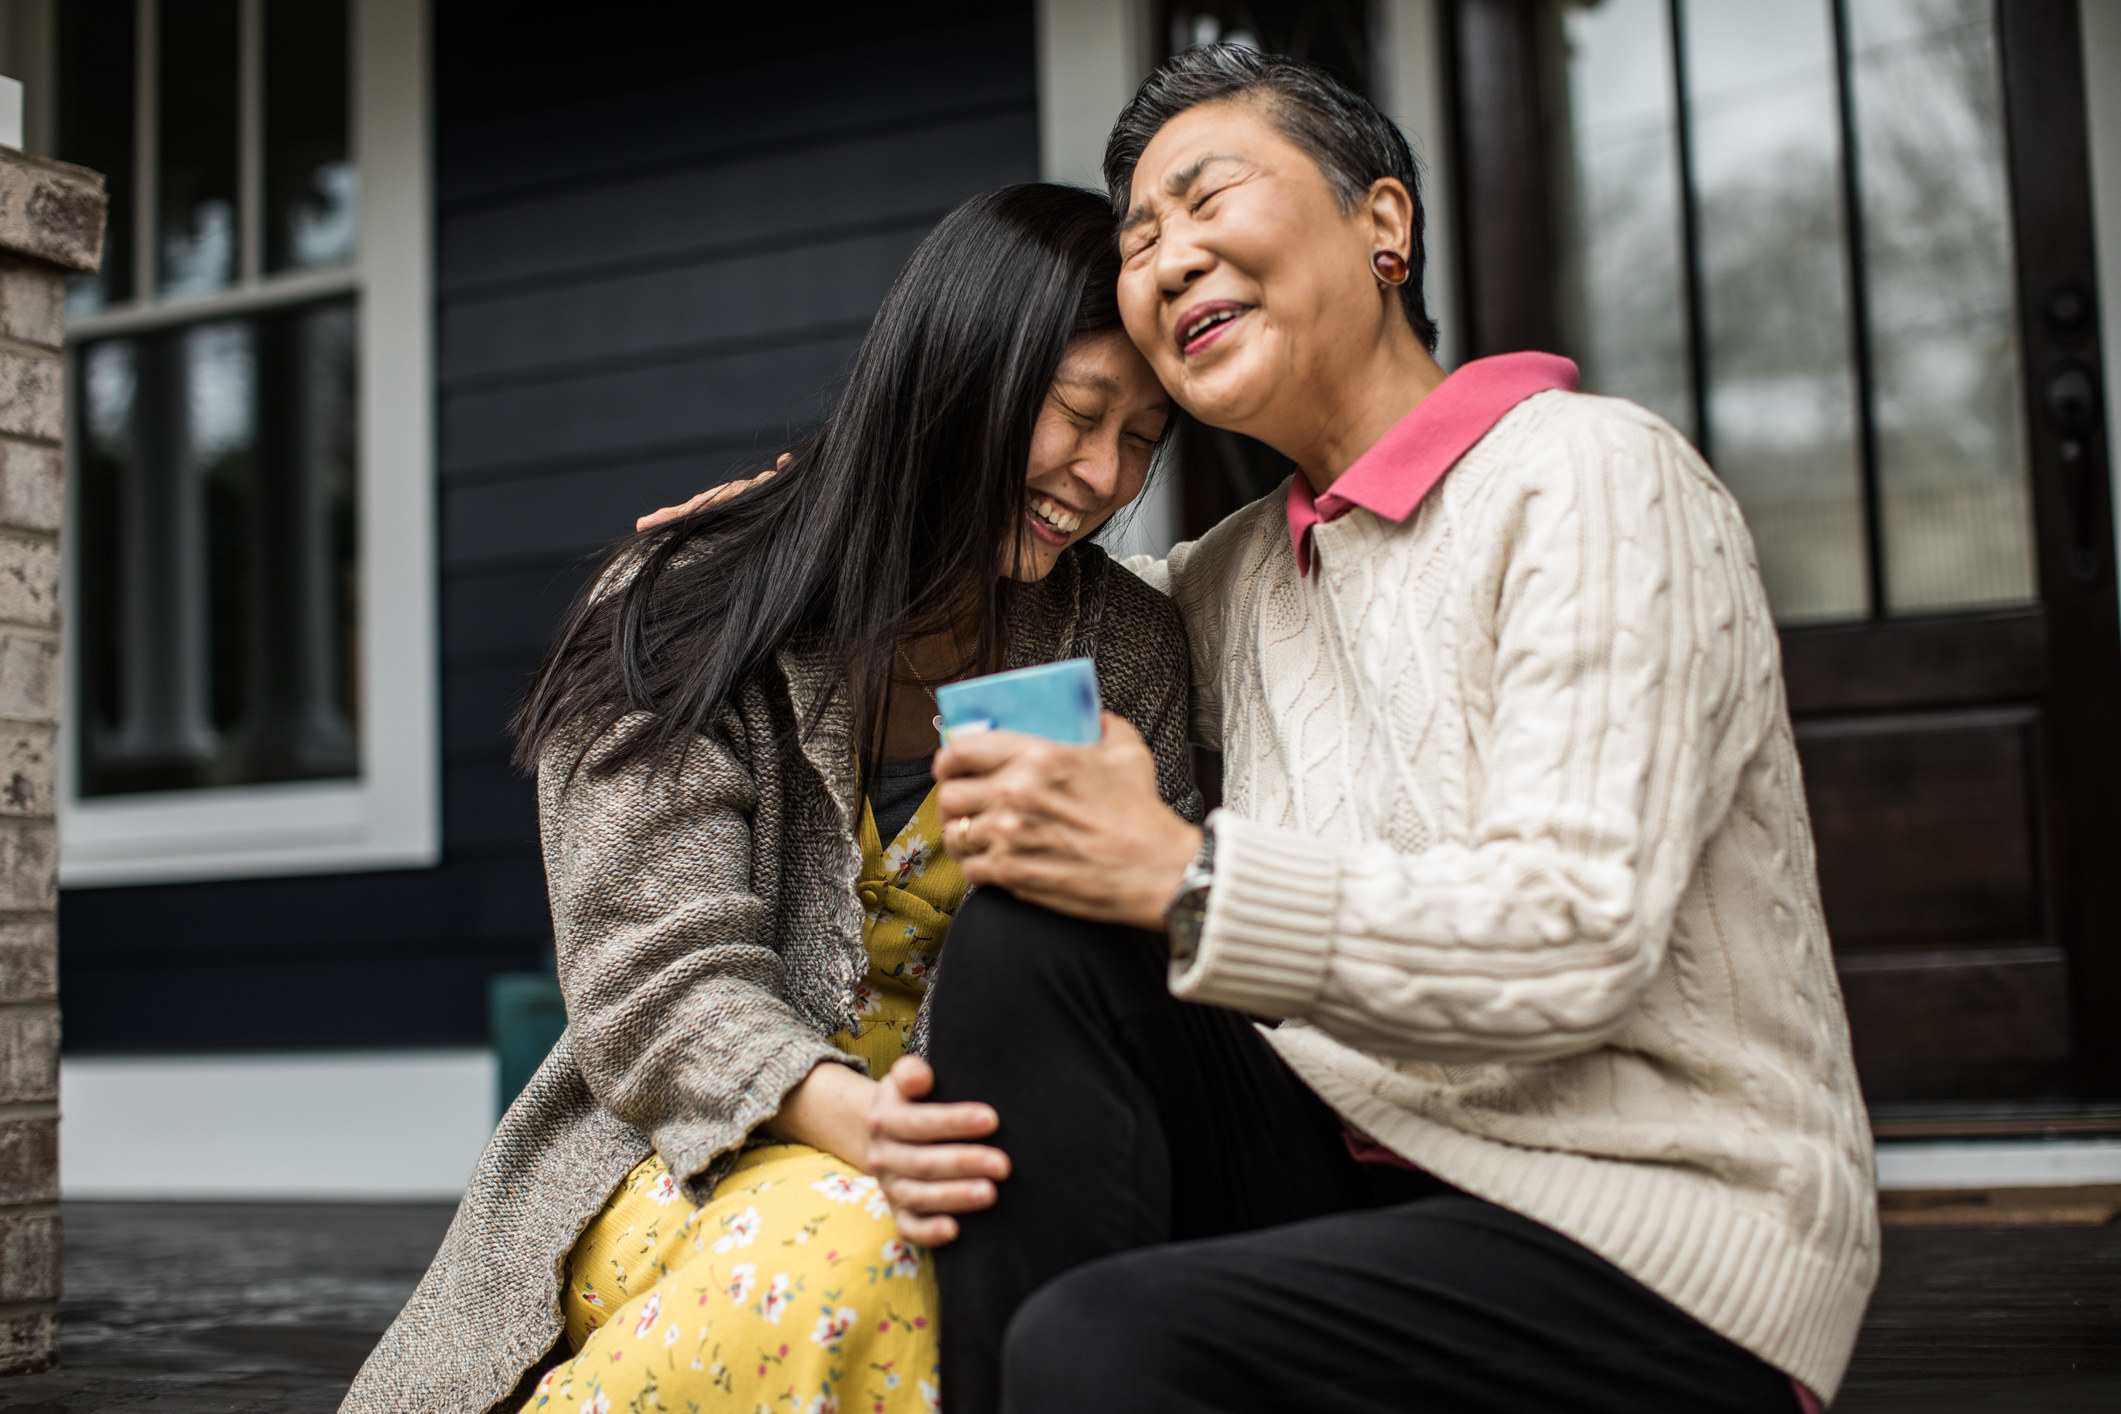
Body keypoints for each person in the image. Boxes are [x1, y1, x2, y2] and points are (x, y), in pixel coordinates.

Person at [898, 46, 1876, 1414]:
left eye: (1206, 195)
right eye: (1140, 237)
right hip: (1355, 1172)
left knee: (1105, 1342)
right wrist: (804, 525)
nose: (1169, 259)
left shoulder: (1589, 477)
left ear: (1383, 223)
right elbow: (986, 590)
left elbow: (1577, 928)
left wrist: (1184, 877)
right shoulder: (1231, 577)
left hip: (1645, 1227)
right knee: (1029, 932)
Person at [338, 183, 1201, 1414]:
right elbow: (655, 977)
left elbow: (1137, 973)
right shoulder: (692, 603)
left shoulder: (1124, 652)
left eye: (1145, 439)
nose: (1103, 473)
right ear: (958, 373)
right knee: (864, 1259)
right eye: (1076, 414)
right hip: (674, 1152)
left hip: (980, 1171)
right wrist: (860, 1124)